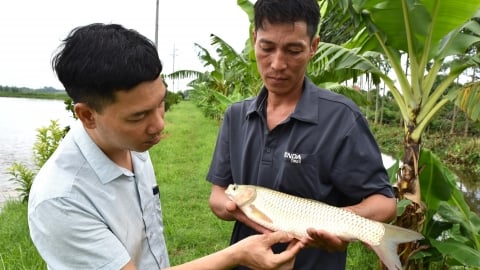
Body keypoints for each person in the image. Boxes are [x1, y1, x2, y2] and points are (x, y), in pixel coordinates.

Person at [27, 23, 304, 270]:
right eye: (139, 116)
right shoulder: (61, 200)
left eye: (160, 103)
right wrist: (237, 255)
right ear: (88, 115)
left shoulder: (129, 143)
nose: (159, 124)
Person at [206, 0, 398, 269]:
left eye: (293, 50)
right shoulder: (235, 116)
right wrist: (240, 213)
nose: (277, 64)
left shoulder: (341, 118)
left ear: (313, 46)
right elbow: (218, 194)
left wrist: (335, 224)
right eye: (267, 47)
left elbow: (384, 203)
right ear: (254, 40)